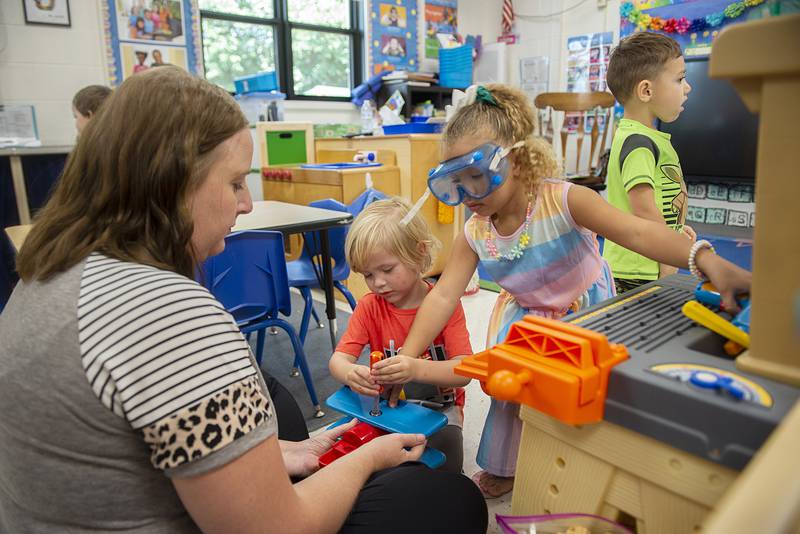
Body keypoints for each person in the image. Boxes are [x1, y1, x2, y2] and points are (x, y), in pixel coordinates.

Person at [0, 67, 488, 533]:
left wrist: (276, 453)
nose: (247, 203)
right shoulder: (167, 313)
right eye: (235, 182)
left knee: (275, 400)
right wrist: (369, 459)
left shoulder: (46, 272)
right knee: (452, 501)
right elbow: (276, 528)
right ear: (172, 183)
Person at [389, 83, 751, 499]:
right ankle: (508, 466)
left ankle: (587, 460)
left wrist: (707, 259)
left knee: (587, 392)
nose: (469, 193)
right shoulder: (473, 232)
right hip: (525, 316)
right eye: (456, 181)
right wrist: (407, 357)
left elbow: (637, 231)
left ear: (518, 160)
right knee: (511, 393)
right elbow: (441, 296)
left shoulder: (564, 199)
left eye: (478, 175)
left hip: (585, 310)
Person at [329, 198, 473, 475]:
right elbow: (338, 360)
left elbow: (464, 370)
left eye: (387, 270)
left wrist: (416, 368)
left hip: (440, 411)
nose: (378, 283)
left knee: (446, 464)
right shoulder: (370, 306)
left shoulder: (447, 305)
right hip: (387, 407)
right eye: (368, 274)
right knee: (356, 456)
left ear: (419, 254)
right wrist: (350, 373)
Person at [603, 32, 697, 293]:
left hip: (646, 261)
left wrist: (676, 228)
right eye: (679, 79)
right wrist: (669, 251)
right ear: (646, 90)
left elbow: (656, 204)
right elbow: (643, 209)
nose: (687, 87)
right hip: (639, 268)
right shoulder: (638, 143)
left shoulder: (644, 137)